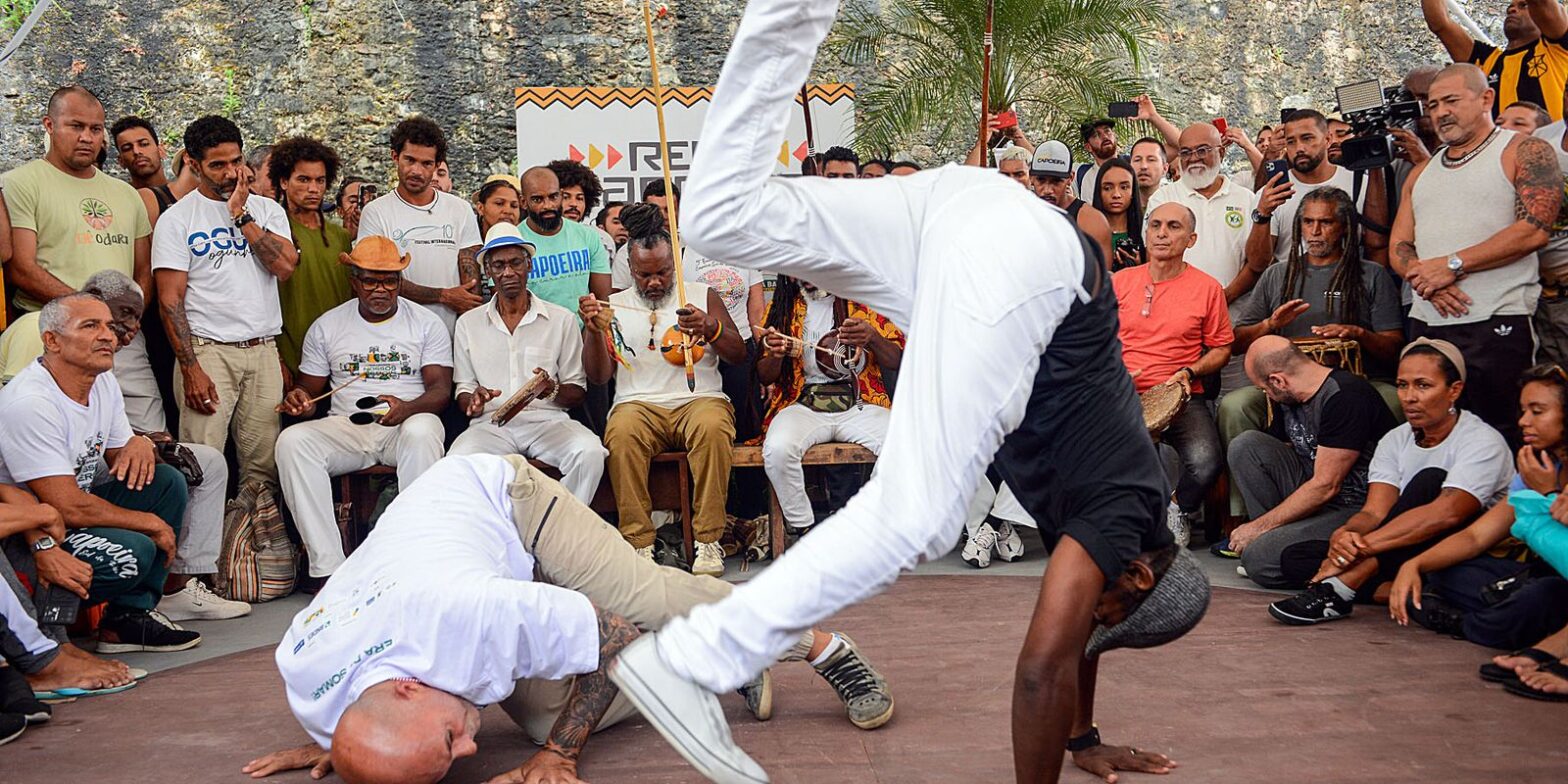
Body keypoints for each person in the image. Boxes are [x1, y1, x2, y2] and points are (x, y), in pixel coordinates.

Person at [603, 3, 1213, 783]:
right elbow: (1040, 669)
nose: (1087, 615)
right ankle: (694, 657)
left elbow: (1074, 649)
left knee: (722, 218)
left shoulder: (1122, 531)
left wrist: (1084, 743)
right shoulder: (1123, 516)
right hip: (1025, 270)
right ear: (1135, 575)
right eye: (1110, 610)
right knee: (918, 513)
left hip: (961, 210)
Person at [242, 454, 893, 783]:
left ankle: (818, 645)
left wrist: (561, 753)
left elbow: (616, 633)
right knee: (535, 719)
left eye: (448, 741)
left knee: (645, 597)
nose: (471, 747)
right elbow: (364, 726)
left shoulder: (474, 614)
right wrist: (348, 751)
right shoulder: (311, 675)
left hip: (502, 502)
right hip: (453, 566)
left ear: (408, 685)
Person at [0, 272, 245, 621]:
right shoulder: (30, 400)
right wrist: (148, 522)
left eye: (107, 325)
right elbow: (67, 506)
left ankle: (131, 619)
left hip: (67, 508)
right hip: (29, 531)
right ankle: (48, 630)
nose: (108, 333)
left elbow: (119, 454)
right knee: (134, 551)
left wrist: (139, 442)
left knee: (166, 481)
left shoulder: (102, 381)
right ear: (52, 341)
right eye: (90, 326)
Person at [1267, 340, 1512, 624]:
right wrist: (1346, 536)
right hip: (1399, 548)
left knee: (1430, 480)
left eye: (1423, 385)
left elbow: (1449, 513)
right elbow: (1375, 512)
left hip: (1459, 548)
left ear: (1454, 390)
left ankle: (1340, 590)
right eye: (1402, 385)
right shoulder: (1395, 439)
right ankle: (1409, 592)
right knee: (1296, 558)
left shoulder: (1482, 440)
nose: (1409, 397)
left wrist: (1363, 548)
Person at [1392, 63, 1562, 446]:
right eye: (1433, 105)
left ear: (1486, 98)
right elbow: (1400, 246)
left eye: (1451, 100)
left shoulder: (1524, 150)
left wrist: (1452, 265)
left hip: (1498, 319)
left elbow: (1534, 229)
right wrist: (1426, 279)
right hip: (1428, 323)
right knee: (1436, 438)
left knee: (1507, 434)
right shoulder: (1423, 171)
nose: (1439, 112)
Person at [579, 204, 747, 577]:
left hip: (699, 399)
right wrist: (594, 332)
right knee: (620, 434)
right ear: (630, 269)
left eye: (663, 272)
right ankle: (639, 544)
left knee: (712, 427)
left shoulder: (701, 295)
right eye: (644, 274)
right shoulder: (615, 305)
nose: (654, 282)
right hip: (637, 404)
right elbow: (598, 377)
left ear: (676, 265)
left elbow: (738, 354)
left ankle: (707, 541)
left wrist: (711, 329)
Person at [275, 237, 452, 589]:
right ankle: (330, 569)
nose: (381, 289)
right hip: (348, 427)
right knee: (292, 442)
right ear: (353, 281)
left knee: (423, 430)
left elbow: (440, 391)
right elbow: (310, 389)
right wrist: (300, 399)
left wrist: (408, 409)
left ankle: (417, 557)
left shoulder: (426, 323)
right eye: (370, 280)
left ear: (400, 282)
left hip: (404, 424)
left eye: (390, 280)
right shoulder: (327, 326)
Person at [152, 114, 297, 488]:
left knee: (263, 468)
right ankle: (205, 548)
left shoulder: (267, 211)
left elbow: (283, 267)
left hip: (262, 349)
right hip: (208, 351)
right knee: (203, 466)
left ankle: (252, 545)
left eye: (236, 161)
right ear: (194, 164)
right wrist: (190, 368)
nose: (231, 173)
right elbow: (170, 301)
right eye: (218, 165)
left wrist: (241, 215)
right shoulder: (177, 220)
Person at [1387, 363, 1568, 650]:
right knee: (1443, 571)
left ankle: (1467, 623)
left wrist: (1548, 493)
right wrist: (1414, 564)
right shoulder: (1537, 466)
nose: (1523, 421)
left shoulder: (1539, 476)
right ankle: (1510, 615)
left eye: (1537, 411)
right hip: (1534, 575)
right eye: (1523, 411)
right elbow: (1476, 537)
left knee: (1542, 595)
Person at [1222, 187, 1406, 441]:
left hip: (1356, 383)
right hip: (1284, 388)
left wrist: (1358, 334)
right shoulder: (1277, 275)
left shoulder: (1372, 275)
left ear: (1344, 227)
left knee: (1394, 401)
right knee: (1235, 406)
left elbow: (1394, 347)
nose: (1315, 231)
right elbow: (1237, 342)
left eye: (1326, 222)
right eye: (1308, 222)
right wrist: (1270, 324)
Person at [450, 223, 607, 502]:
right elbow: (463, 389)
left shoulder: (562, 319)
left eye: (515, 263)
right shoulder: (468, 324)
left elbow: (577, 390)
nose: (508, 272)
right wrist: (473, 400)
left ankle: (556, 526)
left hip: (547, 422)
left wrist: (552, 390)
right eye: (498, 265)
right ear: (488, 271)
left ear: (529, 265)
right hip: (491, 426)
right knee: (457, 463)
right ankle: (493, 537)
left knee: (589, 452)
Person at [1229, 336, 1399, 587]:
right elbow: (1275, 452)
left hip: (1355, 507)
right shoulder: (1289, 395)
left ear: (1278, 380)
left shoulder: (1345, 396)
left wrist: (1256, 528)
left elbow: (1326, 486)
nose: (1268, 395)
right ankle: (1274, 540)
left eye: (1265, 389)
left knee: (1259, 560)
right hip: (1313, 492)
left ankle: (1276, 549)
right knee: (1246, 446)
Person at [1114, 203, 1234, 546]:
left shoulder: (1207, 288)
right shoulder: (1121, 282)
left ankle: (1178, 509)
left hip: (1181, 393)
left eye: (1173, 227)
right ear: (1145, 232)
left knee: (1206, 461)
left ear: (1191, 238)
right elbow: (1094, 337)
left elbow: (1222, 348)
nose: (1162, 233)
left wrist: (1190, 371)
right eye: (1155, 225)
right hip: (1124, 394)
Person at [756, 275, 903, 535]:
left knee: (904, 445)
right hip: (803, 404)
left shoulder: (864, 303)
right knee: (778, 449)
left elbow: (895, 360)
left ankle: (869, 521)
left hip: (860, 403)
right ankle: (804, 528)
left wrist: (873, 338)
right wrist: (776, 356)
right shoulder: (784, 307)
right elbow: (765, 376)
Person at [4, 86, 152, 316]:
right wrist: (93, 312)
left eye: (96, 129)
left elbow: (144, 271)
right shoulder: (18, 183)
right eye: (76, 126)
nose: (86, 137)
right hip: (50, 326)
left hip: (122, 334)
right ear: (49, 125)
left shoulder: (128, 194)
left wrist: (130, 315)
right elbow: (21, 269)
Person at [357, 116, 482, 332]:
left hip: (453, 335)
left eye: (426, 163)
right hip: (397, 336)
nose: (417, 171)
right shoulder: (376, 213)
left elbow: (471, 283)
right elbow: (379, 277)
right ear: (395, 157)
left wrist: (467, 336)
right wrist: (443, 295)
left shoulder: (459, 209)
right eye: (410, 160)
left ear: (436, 166)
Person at [1249, 109, 1378, 270]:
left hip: (1348, 287)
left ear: (1327, 139)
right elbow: (1257, 264)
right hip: (1291, 290)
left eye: (1307, 138)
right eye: (1291, 142)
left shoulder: (1361, 184)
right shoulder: (1271, 194)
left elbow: (1377, 248)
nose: (1299, 148)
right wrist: (1263, 214)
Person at [269, 136, 353, 376]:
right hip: (289, 358)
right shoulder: (273, 235)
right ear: (284, 181)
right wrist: (277, 358)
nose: (314, 189)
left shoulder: (340, 236)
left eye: (320, 180)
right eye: (303, 179)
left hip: (338, 359)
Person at [1147, 123, 1259, 299]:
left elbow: (1255, 262)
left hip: (1234, 313)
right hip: (1177, 308)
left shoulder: (1246, 200)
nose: (1193, 158)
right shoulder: (1162, 199)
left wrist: (1224, 297)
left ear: (1221, 153)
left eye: (1202, 150)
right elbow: (1154, 257)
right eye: (1185, 152)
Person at [1422, 0, 1568, 119]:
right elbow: (1440, 24)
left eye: (1523, 5)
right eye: (1509, 7)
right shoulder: (1487, 60)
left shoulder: (1557, 48)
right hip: (1504, 152)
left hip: (1555, 150)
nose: (1512, 10)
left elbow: (1542, 4)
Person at [517, 166, 612, 313]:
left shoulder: (588, 236)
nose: (547, 205)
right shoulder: (512, 242)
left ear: (561, 196)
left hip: (582, 333)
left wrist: (589, 332)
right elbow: (507, 307)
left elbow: (602, 302)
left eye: (553, 197)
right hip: (532, 334)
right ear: (523, 202)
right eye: (537, 199)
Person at [1029, 140, 1114, 264]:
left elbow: (1102, 277)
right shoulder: (1021, 215)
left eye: (1056, 181)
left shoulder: (1092, 222)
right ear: (1031, 178)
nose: (1047, 190)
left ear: (1071, 178)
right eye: (1041, 180)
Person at [1092, 160, 1144, 271]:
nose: (1116, 194)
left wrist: (1140, 268)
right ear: (1099, 192)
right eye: (1107, 188)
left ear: (1133, 191)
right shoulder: (1087, 231)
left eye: (1124, 187)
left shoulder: (1146, 232)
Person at [472, 174, 521, 238]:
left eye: (514, 206)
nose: (508, 211)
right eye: (499, 203)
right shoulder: (464, 238)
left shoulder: (526, 238)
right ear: (480, 208)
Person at [1128, 136, 1168, 204]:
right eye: (1137, 160)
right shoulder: (1119, 207)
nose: (1143, 166)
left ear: (1165, 168)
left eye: (1151, 160)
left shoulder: (1174, 204)